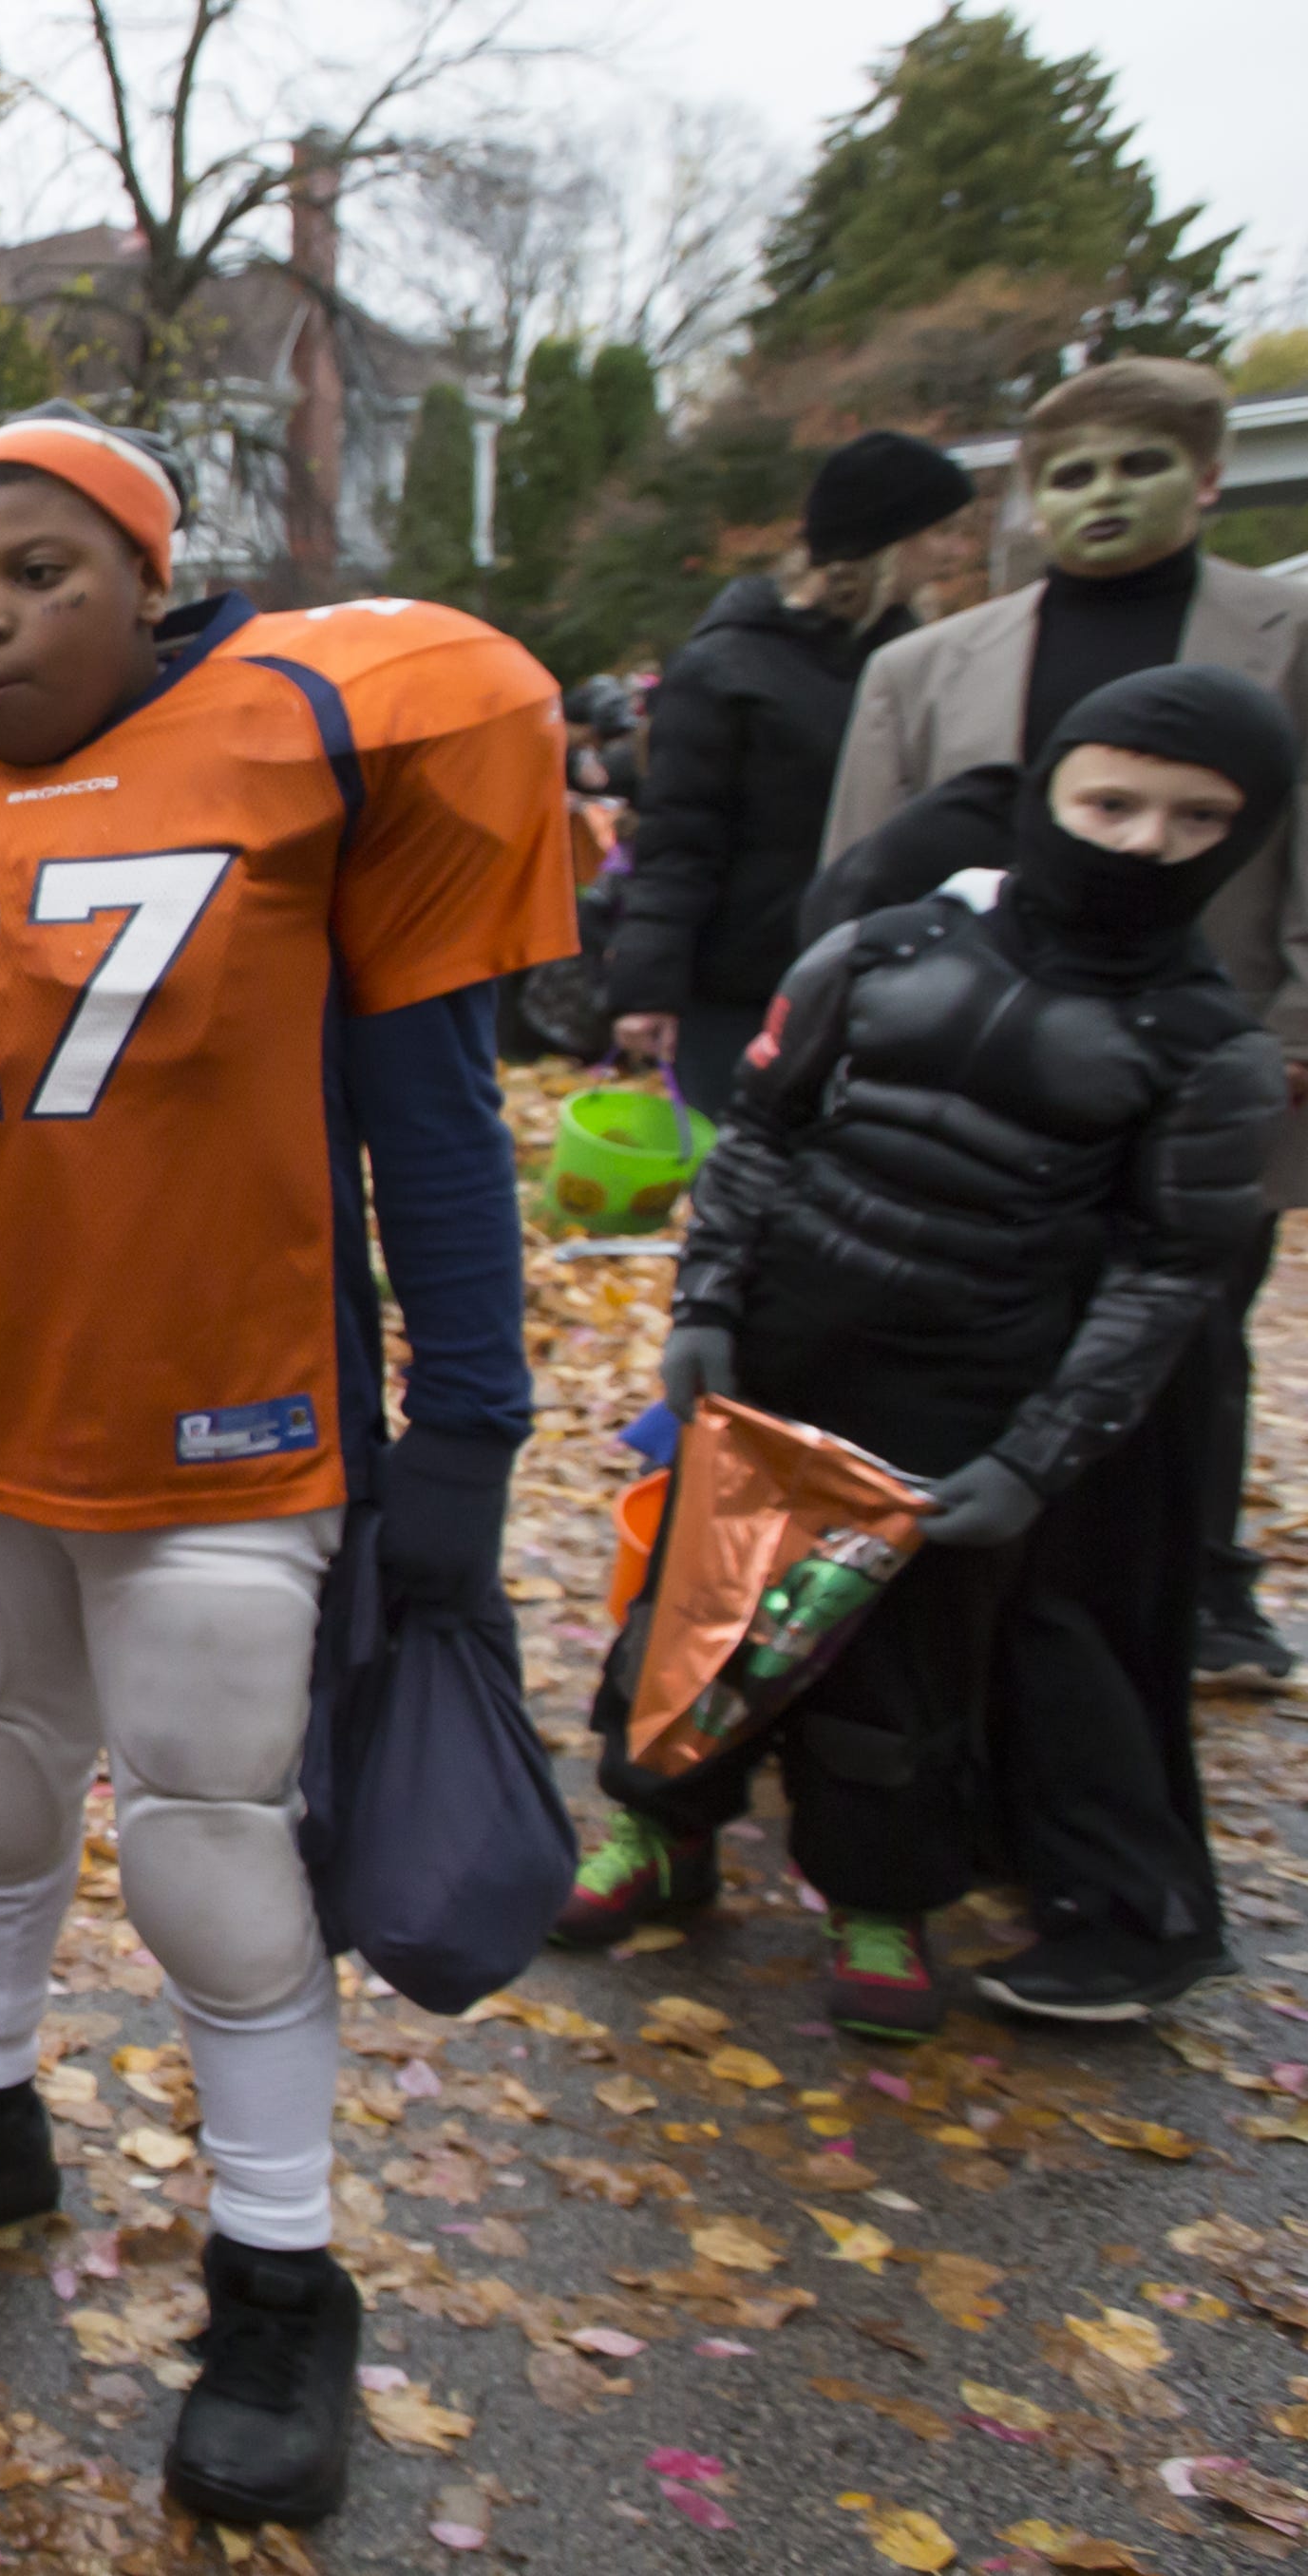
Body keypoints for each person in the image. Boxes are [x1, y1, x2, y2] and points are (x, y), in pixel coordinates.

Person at [0, 401, 573, 2528]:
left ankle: (283, 2278)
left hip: (225, 1415)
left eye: (40, 574)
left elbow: (436, 1124)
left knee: (209, 1843)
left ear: (149, 573)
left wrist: (470, 1417)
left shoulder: (302, 745)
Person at [596, 669, 1291, 2039]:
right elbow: (764, 1133)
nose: (1141, 841)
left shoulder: (1207, 1049)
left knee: (898, 1674)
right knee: (695, 1620)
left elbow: (1170, 1279)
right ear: (1049, 794)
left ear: (1247, 833)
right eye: (1111, 801)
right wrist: (707, 1304)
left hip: (969, 1387)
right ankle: (659, 1832)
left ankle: (881, 1895)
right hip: (781, 1354)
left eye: (1192, 818)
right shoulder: (884, 950)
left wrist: (1038, 1457)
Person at [823, 356, 1308, 1683]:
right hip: (978, 1075)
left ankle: (1190, 1588)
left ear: (1205, 478)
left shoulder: (1288, 639)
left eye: (1137, 466)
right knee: (972, 1334)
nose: (1102, 498)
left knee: (1183, 1340)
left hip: (1208, 1053)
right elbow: (863, 873)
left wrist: (1293, 1027)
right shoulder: (930, 667)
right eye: (1072, 473)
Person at [603, 429, 974, 1109]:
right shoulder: (729, 668)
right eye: (942, 531)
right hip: (747, 986)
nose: (957, 552)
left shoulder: (924, 663)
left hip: (890, 975)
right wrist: (648, 988)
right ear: (889, 540)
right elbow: (680, 837)